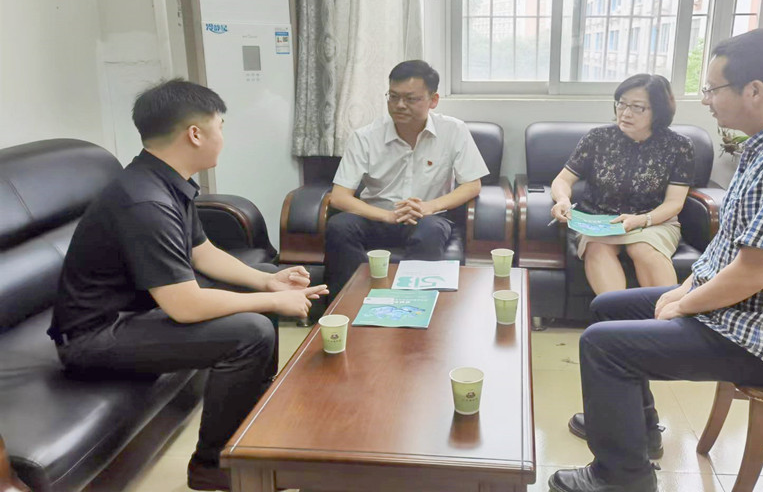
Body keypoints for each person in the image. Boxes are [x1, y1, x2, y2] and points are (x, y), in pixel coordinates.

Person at [549, 29, 763, 492]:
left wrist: (684, 304)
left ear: (754, 91)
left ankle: (621, 478)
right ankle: (636, 429)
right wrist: (685, 288)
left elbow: (754, 271)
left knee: (602, 345)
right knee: (608, 308)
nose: (706, 100)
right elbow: (730, 247)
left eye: (712, 89)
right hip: (743, 313)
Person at [48, 79, 327, 492]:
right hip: (94, 337)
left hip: (134, 314)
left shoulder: (163, 180)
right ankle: (212, 466)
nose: (223, 136)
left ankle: (253, 433)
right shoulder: (145, 201)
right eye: (220, 126)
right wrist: (270, 302)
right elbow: (185, 306)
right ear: (195, 134)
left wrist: (269, 281)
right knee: (250, 330)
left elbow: (203, 253)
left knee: (258, 301)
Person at [324, 60, 489, 292]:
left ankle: (412, 305)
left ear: (433, 100)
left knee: (430, 231)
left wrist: (429, 207)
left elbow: (472, 185)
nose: (399, 105)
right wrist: (388, 216)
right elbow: (339, 197)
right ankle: (351, 301)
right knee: (339, 226)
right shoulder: (365, 137)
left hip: (427, 218)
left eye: (410, 99)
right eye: (393, 97)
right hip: (376, 217)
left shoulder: (453, 130)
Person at [549, 74, 694, 295]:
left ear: (658, 111)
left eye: (637, 107)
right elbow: (563, 179)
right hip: (598, 220)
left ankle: (665, 315)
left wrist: (642, 220)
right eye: (621, 104)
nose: (625, 113)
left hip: (652, 221)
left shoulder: (679, 146)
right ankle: (616, 314)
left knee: (643, 249)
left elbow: (674, 202)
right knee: (597, 248)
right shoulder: (597, 138)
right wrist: (562, 200)